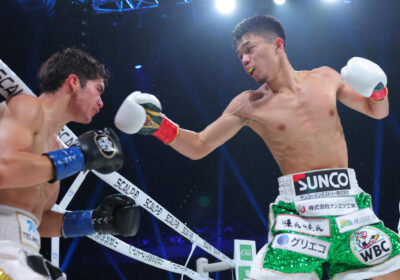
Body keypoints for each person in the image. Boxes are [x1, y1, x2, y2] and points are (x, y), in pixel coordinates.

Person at [114, 15, 400, 280]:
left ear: (278, 44)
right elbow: (199, 146)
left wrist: (378, 88)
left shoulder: (325, 77)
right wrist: (156, 125)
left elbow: (377, 111)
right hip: (300, 220)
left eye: (249, 49)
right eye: (240, 55)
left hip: (351, 209)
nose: (244, 59)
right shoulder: (248, 104)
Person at [0, 48, 140, 280]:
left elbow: (34, 218)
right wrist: (78, 159)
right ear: (74, 82)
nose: (101, 103)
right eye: (98, 90)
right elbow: (4, 170)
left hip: (21, 251)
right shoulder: (25, 107)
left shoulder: (56, 149)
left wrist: (94, 221)